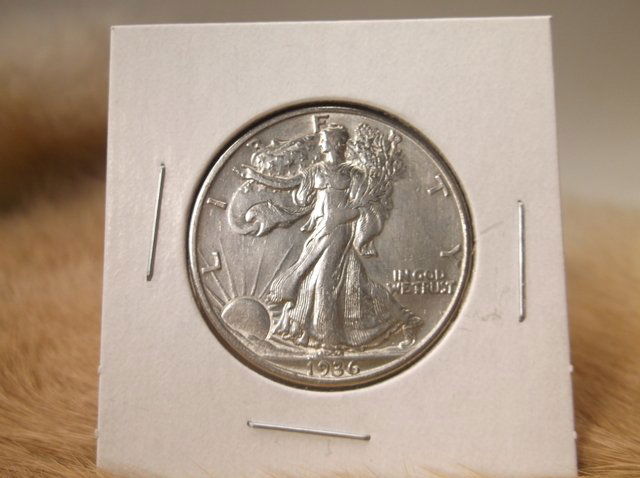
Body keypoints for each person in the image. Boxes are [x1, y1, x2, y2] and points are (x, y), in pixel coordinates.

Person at [237, 124, 418, 350]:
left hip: (340, 231)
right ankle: (401, 319)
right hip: (320, 230)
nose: (321, 144)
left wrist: (343, 216)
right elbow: (286, 184)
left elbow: (362, 205)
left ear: (336, 143)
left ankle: (328, 340)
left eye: (324, 140)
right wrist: (256, 176)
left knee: (322, 281)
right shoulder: (316, 171)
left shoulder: (353, 174)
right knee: (338, 281)